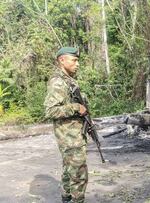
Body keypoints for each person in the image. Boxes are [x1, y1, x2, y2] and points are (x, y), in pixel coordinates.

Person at [44, 47, 88, 203]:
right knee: (79, 174)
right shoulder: (58, 82)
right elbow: (50, 111)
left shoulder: (69, 79)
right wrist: (76, 108)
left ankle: (67, 198)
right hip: (69, 137)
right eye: (74, 60)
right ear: (62, 60)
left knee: (69, 170)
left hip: (74, 135)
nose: (78, 64)